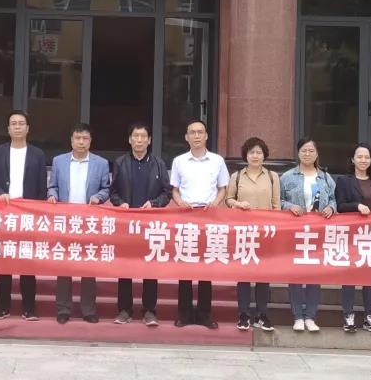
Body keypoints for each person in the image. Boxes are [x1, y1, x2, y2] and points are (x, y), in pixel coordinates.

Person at [0, 111, 47, 320]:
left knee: (27, 263)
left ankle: (29, 307)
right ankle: (2, 306)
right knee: (4, 261)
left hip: (29, 214)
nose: (17, 127)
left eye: (21, 123)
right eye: (14, 124)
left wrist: (38, 212)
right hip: (6, 213)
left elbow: (42, 186)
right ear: (8, 129)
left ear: (28, 128)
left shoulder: (38, 154)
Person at [109, 121, 172, 326]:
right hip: (126, 223)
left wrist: (154, 204)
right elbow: (113, 192)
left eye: (143, 136)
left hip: (151, 223)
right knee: (124, 267)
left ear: (149, 140)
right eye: (135, 136)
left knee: (150, 268)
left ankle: (149, 310)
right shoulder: (120, 163)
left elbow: (166, 193)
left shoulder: (158, 164)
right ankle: (124, 309)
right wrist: (121, 203)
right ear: (129, 140)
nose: (139, 140)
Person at [48, 123, 111, 324]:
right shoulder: (59, 161)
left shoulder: (101, 163)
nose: (81, 142)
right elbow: (52, 186)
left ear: (90, 141)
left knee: (88, 265)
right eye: (77, 138)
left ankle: (88, 310)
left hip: (89, 221)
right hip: (65, 220)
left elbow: (106, 188)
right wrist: (52, 195)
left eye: (85, 138)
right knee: (64, 265)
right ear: (71, 140)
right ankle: (63, 309)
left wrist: (98, 197)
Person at [170, 120, 230, 329]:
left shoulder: (217, 161)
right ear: (186, 137)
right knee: (185, 267)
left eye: (200, 132)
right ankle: (184, 313)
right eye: (192, 132)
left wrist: (215, 203)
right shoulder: (179, 161)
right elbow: (174, 189)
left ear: (206, 136)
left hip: (208, 218)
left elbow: (223, 188)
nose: (196, 136)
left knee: (206, 267)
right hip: (186, 217)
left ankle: (205, 314)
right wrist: (179, 202)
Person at [224, 136, 281, 332]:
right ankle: (244, 314)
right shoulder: (237, 176)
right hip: (244, 232)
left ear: (264, 155)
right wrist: (239, 204)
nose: (255, 156)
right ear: (245, 155)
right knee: (244, 274)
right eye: (251, 152)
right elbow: (228, 200)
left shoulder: (273, 177)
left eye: (259, 152)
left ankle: (262, 314)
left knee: (264, 274)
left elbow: (276, 206)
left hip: (266, 233)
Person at [280, 137, 336, 332]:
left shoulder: (325, 178)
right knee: (295, 273)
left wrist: (331, 207)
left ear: (317, 153)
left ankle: (310, 315)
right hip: (295, 232)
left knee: (314, 273)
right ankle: (297, 315)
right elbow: (278, 201)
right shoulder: (287, 177)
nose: (307, 154)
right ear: (298, 153)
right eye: (304, 150)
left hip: (318, 232)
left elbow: (334, 200)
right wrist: (289, 206)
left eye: (311, 151)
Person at [334, 144, 371, 333]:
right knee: (350, 275)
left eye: (367, 157)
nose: (363, 160)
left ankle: (369, 315)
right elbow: (340, 205)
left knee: (370, 276)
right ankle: (348, 314)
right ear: (352, 159)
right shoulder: (344, 181)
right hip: (351, 235)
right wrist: (356, 206)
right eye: (360, 156)